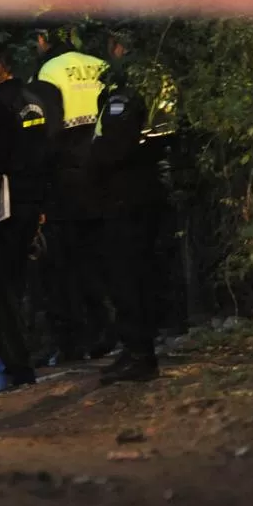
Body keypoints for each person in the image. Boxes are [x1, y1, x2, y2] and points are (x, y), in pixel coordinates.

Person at [0, 41, 53, 395]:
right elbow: (45, 151)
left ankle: (14, 370)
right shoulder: (33, 99)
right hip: (33, 203)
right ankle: (23, 365)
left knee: (0, 293)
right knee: (19, 288)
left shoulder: (0, 106)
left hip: (5, 210)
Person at [30, 25, 110, 366]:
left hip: (65, 179)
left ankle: (72, 343)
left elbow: (47, 131)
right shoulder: (99, 64)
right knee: (99, 259)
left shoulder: (49, 71)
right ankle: (107, 331)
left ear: (43, 39)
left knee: (62, 267)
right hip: (103, 169)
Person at [89, 25, 165, 384]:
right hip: (145, 191)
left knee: (126, 276)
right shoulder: (157, 83)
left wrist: (88, 157)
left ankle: (139, 353)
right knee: (138, 273)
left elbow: (115, 147)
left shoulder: (125, 94)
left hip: (124, 196)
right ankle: (137, 349)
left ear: (118, 48)